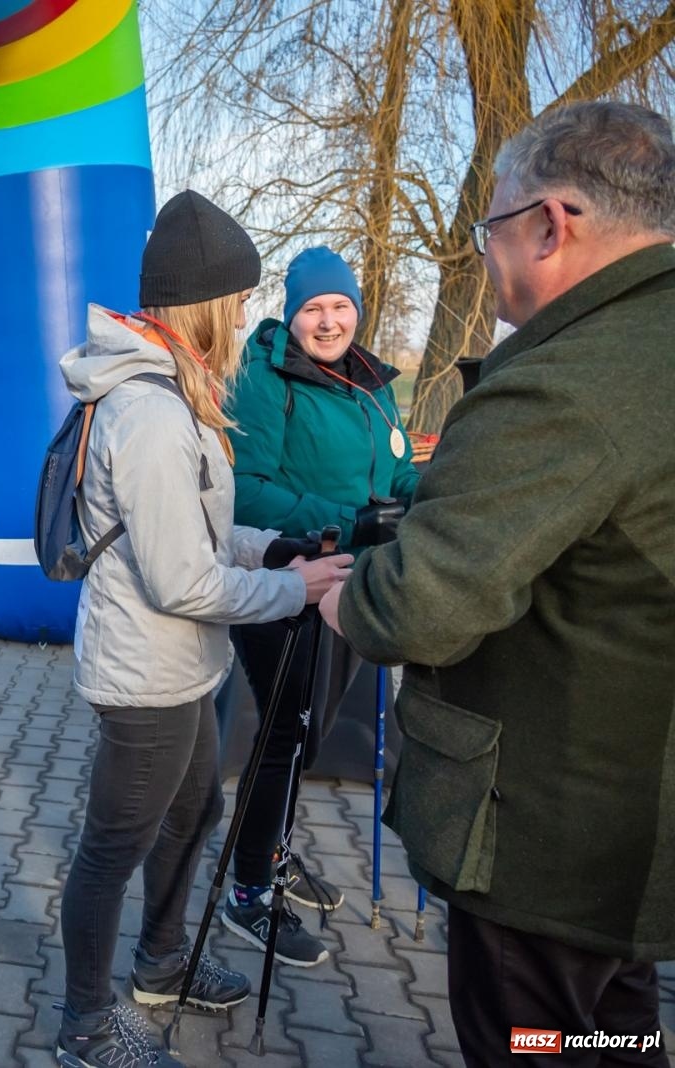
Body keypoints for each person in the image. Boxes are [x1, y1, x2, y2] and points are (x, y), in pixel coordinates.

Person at [321, 101, 675, 1065]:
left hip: (552, 850)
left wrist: (345, 595)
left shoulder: (567, 382)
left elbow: (420, 606)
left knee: (541, 1043)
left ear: (551, 225)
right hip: (631, 845)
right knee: (619, 1037)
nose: (485, 256)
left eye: (492, 229)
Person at [54, 191, 354, 1068]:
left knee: (196, 811)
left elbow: (205, 534)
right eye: (240, 300)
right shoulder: (147, 411)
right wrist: (292, 591)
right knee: (115, 846)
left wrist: (277, 548)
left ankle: (161, 965)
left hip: (185, 667)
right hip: (144, 675)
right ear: (208, 305)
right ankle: (83, 1026)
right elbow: (182, 577)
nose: (246, 316)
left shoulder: (177, 389)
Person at [218, 247, 420, 967]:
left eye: (340, 306)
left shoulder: (369, 383)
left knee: (305, 735)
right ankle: (247, 892)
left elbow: (396, 469)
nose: (328, 320)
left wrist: (423, 499)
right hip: (287, 582)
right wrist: (347, 521)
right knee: (280, 738)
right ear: (292, 313)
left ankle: (269, 850)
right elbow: (243, 490)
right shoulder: (266, 378)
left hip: (349, 584)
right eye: (313, 308)